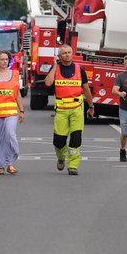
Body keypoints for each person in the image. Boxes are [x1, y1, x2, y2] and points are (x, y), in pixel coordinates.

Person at [44, 44, 95, 175]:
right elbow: (48, 83)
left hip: (77, 108)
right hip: (61, 109)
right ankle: (61, 157)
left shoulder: (80, 69)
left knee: (76, 137)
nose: (67, 55)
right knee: (59, 140)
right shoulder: (55, 68)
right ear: (59, 56)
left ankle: (73, 165)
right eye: (64, 53)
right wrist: (55, 65)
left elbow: (86, 89)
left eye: (69, 52)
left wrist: (91, 106)